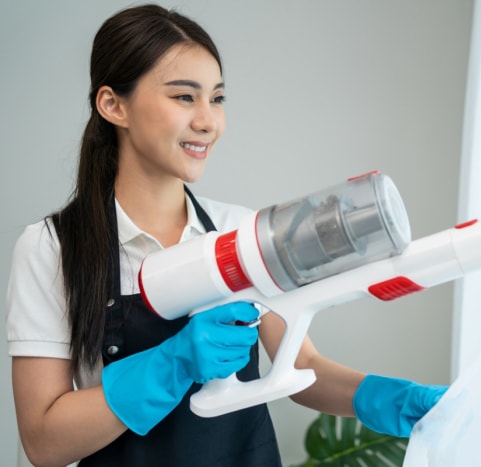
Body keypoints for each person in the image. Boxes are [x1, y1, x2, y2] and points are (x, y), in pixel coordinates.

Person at [5, 4, 447, 467]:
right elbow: (43, 440)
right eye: (183, 97)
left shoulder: (243, 234)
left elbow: (301, 368)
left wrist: (397, 400)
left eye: (216, 99)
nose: (207, 121)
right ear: (114, 105)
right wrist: (172, 363)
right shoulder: (52, 248)